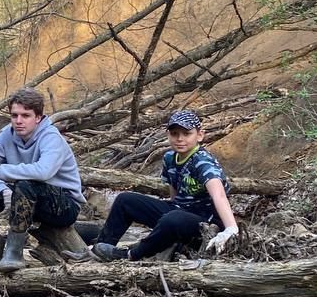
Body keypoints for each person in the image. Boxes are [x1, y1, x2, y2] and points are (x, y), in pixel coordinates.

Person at [0, 87, 86, 275]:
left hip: (62, 205)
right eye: (14, 115)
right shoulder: (7, 135)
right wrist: (1, 189)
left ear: (38, 117)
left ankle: (14, 251)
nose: (18, 121)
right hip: (22, 198)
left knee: (26, 184)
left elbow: (43, 171)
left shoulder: (51, 137)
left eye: (25, 115)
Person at [93, 110, 239, 261]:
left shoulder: (202, 161)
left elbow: (219, 195)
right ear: (168, 135)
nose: (180, 139)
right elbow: (174, 195)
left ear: (199, 135)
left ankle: (130, 255)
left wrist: (231, 228)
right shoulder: (169, 158)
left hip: (205, 224)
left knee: (172, 218)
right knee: (125, 200)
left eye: (186, 133)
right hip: (178, 214)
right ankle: (101, 248)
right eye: (175, 133)